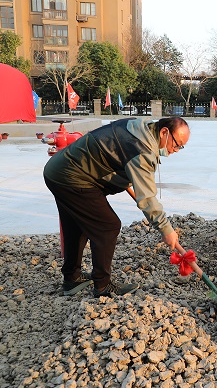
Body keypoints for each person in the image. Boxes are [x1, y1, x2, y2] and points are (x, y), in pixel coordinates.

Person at [44, 117, 189, 297]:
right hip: (73, 176)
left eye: (181, 147)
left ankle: (72, 278)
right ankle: (103, 286)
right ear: (164, 132)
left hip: (58, 170)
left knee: (77, 225)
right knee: (108, 226)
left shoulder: (139, 127)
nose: (176, 150)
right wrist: (166, 229)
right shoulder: (141, 150)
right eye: (177, 144)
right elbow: (147, 198)